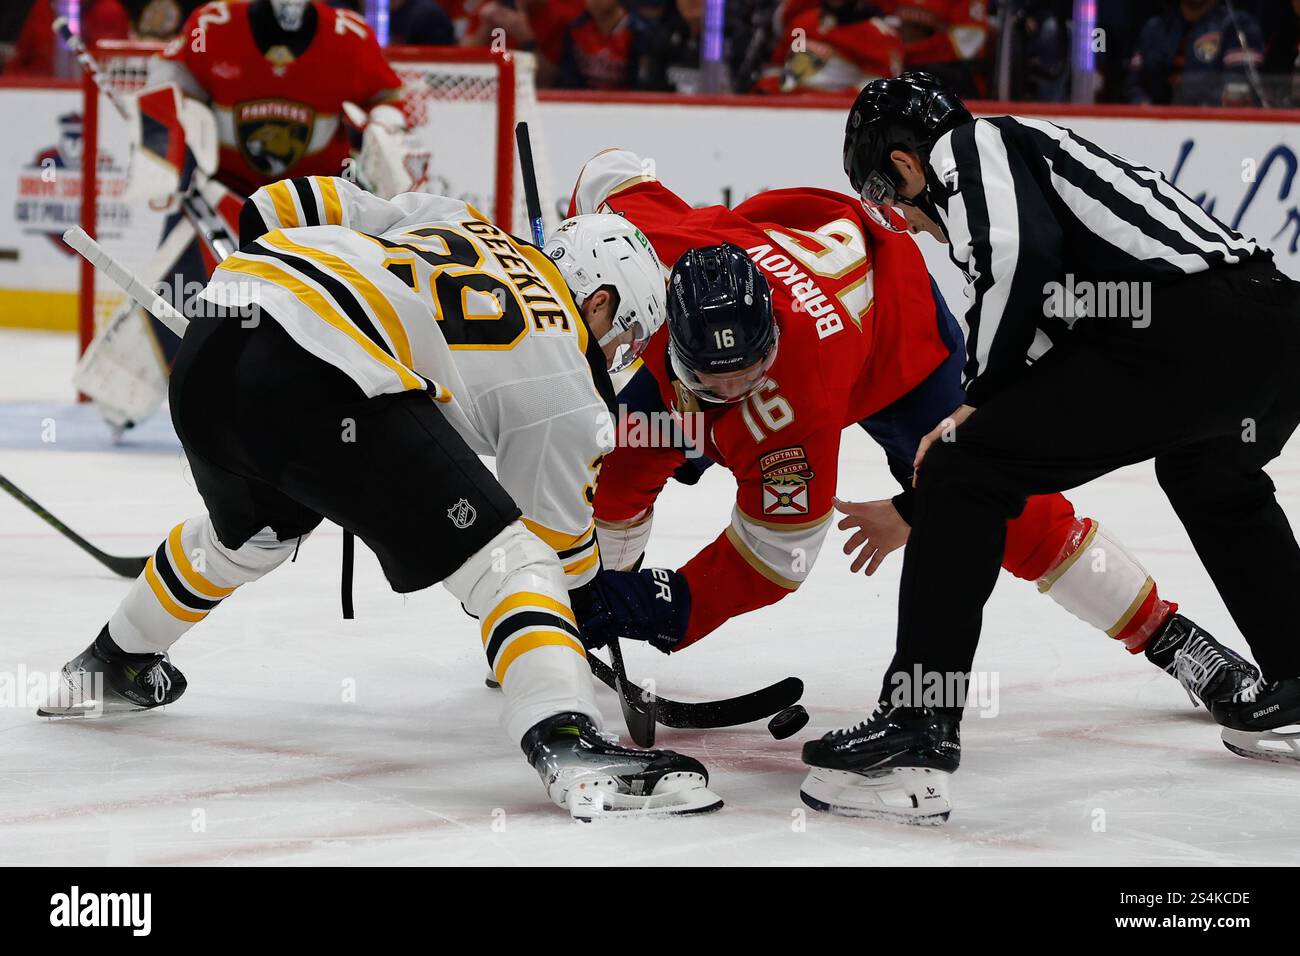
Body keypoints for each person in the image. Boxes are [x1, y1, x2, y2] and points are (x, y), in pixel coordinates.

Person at [41, 175, 722, 820]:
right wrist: (572, 627)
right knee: (517, 562)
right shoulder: (568, 381)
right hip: (322, 373)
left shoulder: (460, 217)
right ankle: (572, 748)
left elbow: (283, 205)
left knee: (251, 538)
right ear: (598, 301)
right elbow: (554, 557)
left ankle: (108, 664)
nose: (622, 351)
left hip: (218, 333)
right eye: (626, 332)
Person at [568, 147, 1256, 718]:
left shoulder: (790, 403)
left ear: (772, 341)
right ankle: (587, 613)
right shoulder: (648, 257)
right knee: (622, 466)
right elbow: (611, 171)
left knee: (1010, 509)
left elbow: (775, 556)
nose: (732, 393)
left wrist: (671, 607)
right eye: (713, 381)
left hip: (897, 344)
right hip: (802, 251)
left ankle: (1170, 636)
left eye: (750, 372)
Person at [820, 70, 1300, 824]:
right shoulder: (1035, 165)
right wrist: (927, 497)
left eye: (890, 201)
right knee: (1211, 473)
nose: (905, 225)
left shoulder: (975, 146)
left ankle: (916, 734)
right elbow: (1045, 382)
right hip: (1271, 331)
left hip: (1191, 329)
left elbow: (1014, 262)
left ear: (907, 166)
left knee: (965, 462)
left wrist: (969, 406)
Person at [1126, 0, 1265, 106]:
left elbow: (1239, 87)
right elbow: (1135, 86)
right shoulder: (1154, 28)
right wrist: (1146, 112)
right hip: (1156, 128)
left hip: (1213, 126)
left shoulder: (1238, 25)